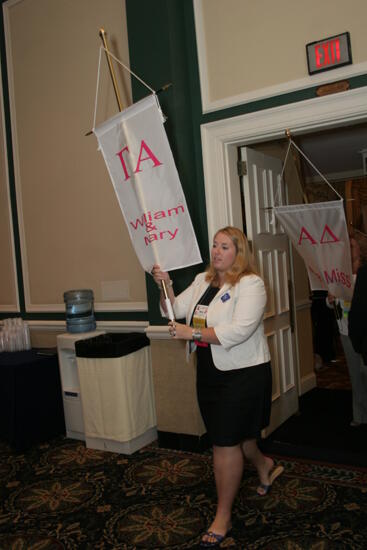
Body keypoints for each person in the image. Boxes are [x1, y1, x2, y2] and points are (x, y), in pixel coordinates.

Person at [151, 226, 283, 548]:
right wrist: (164, 285)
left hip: (243, 374)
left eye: (225, 246)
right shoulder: (202, 281)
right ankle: (264, 465)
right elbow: (172, 311)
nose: (217, 251)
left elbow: (238, 331)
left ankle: (223, 516)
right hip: (209, 372)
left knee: (224, 442)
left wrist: (192, 334)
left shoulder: (251, 284)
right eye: (214, 246)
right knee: (240, 437)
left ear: (239, 252)